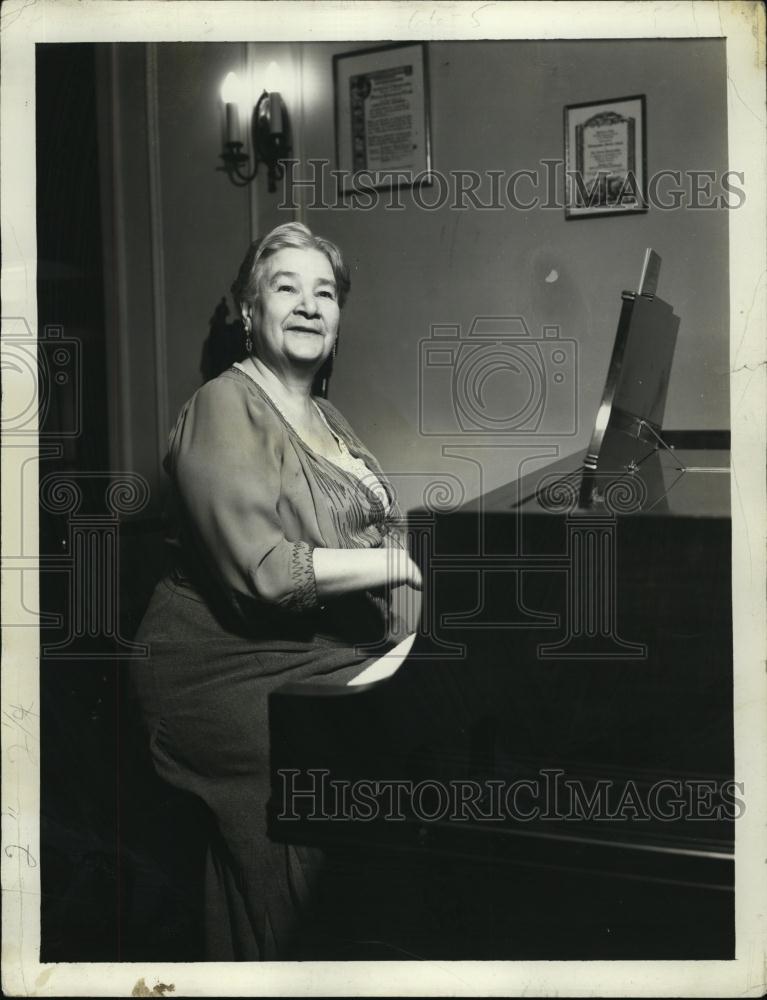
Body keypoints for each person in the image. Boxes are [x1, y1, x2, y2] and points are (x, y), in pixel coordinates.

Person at [128, 222, 421, 960]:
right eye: (285, 288)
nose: (308, 305)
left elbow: (371, 528)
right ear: (248, 312)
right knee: (327, 804)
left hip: (309, 648)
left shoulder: (324, 415)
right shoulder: (222, 405)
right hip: (220, 669)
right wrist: (401, 570)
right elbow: (263, 572)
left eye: (325, 292)